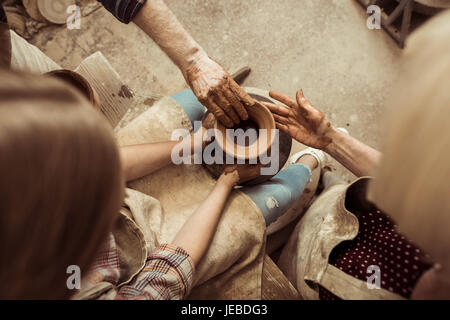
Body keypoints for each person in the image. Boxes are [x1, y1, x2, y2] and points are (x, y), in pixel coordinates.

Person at [265, 10, 450, 300]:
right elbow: (412, 183)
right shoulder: (433, 199)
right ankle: (325, 186)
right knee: (325, 196)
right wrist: (332, 140)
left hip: (317, 282)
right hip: (348, 224)